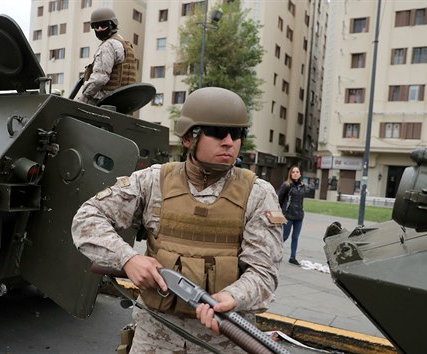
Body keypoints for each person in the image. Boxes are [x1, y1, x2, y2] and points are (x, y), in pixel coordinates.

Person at [71, 87, 284, 353]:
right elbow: (87, 218)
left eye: (238, 133)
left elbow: (264, 274)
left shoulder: (258, 193)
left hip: (224, 340)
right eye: (218, 133)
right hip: (156, 337)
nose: (230, 141)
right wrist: (128, 259)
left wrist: (231, 297)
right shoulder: (153, 181)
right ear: (188, 138)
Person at [76, 8, 137, 105]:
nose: (99, 29)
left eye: (103, 25)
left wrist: (84, 97)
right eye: (96, 26)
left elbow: (100, 77)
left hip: (105, 100)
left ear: (112, 25)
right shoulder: (125, 44)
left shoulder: (108, 45)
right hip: (123, 101)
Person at [277, 166, 306, 266]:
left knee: (295, 237)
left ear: (300, 174)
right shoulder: (286, 185)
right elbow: (279, 199)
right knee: (284, 236)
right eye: (293, 172)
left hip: (299, 216)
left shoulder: (302, 186)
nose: (295, 173)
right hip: (288, 215)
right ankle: (274, 254)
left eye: (297, 172)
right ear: (290, 174)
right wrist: (281, 212)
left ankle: (292, 257)